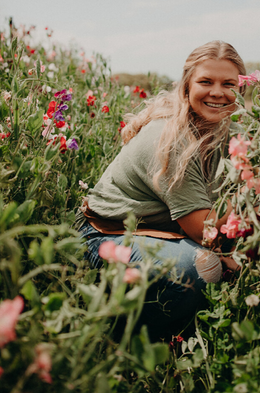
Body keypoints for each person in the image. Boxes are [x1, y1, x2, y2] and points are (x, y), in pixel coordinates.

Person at [75, 40, 246, 338]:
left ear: (240, 90)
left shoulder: (227, 130)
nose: (217, 92)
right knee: (199, 268)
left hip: (161, 233)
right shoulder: (171, 137)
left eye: (228, 83)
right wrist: (255, 193)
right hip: (107, 235)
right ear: (186, 87)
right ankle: (131, 341)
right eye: (206, 81)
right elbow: (203, 230)